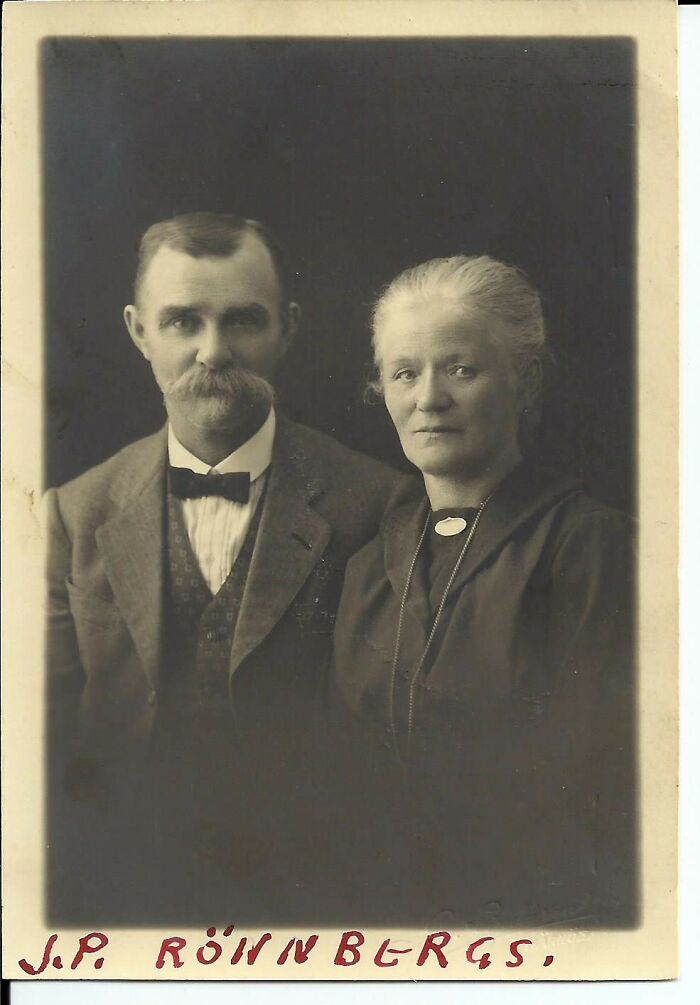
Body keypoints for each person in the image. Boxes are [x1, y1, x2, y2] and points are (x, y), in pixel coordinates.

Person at [44, 211, 405, 924]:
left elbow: (383, 746)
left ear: (287, 329)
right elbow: (42, 733)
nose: (213, 351)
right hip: (118, 887)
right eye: (182, 322)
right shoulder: (73, 512)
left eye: (242, 320)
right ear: (137, 331)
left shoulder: (377, 503)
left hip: (314, 888)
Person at [331, 255, 637, 927]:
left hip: (540, 920)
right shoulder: (366, 568)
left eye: (461, 369)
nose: (428, 398)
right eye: (404, 372)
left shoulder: (592, 546)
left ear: (525, 383)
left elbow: (604, 786)